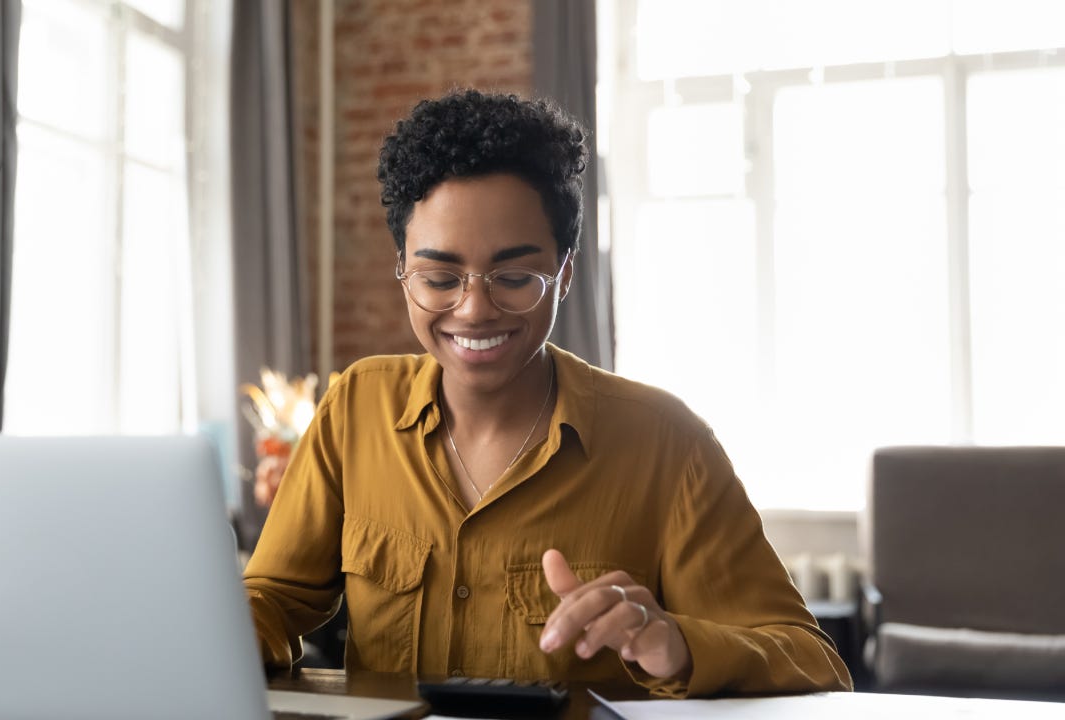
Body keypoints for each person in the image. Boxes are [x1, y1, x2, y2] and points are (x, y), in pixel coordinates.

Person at [243, 89, 851, 697]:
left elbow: (813, 661)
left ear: (564, 274)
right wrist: (224, 627)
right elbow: (273, 598)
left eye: (514, 277)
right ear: (402, 269)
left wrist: (676, 644)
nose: (474, 309)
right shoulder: (356, 408)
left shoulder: (667, 444)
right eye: (439, 278)